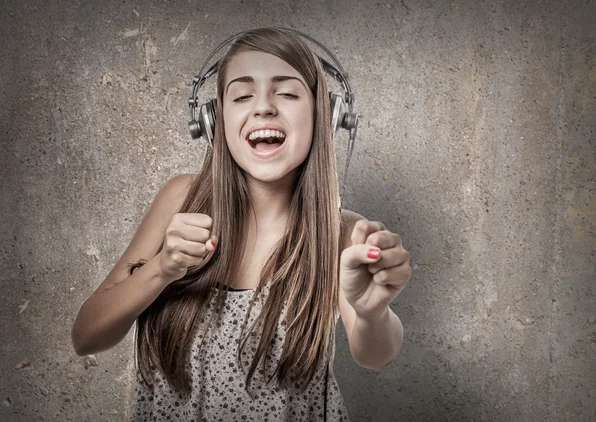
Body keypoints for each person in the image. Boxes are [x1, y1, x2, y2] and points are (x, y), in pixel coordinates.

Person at [71, 26, 411, 421]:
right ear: (215, 119)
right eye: (243, 94)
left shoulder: (341, 233)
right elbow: (86, 336)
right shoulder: (181, 199)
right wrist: (162, 268)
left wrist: (371, 313)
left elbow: (376, 355)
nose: (263, 107)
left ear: (325, 115)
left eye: (286, 92)